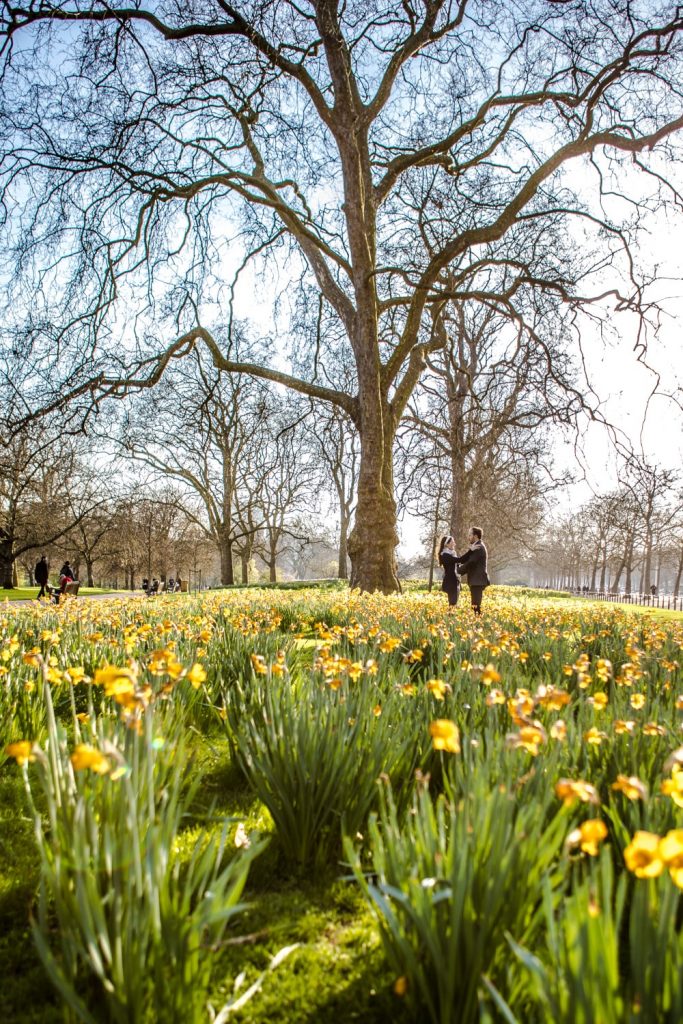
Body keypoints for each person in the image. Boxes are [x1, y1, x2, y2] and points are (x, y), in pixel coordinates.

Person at [456, 526, 490, 615]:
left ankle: (478, 625)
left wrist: (458, 571)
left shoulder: (479, 547)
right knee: (475, 605)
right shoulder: (476, 546)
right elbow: (468, 561)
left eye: (470, 535)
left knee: (476, 605)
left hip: (477, 581)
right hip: (477, 580)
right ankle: (477, 624)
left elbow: (471, 562)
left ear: (475, 536)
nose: (468, 537)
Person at [438, 535, 460, 607]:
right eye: (453, 542)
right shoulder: (445, 555)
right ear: (447, 544)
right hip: (450, 581)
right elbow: (459, 560)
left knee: (453, 603)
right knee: (452, 603)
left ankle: (451, 616)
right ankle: (450, 617)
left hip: (454, 580)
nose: (454, 544)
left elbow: (457, 566)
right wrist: (471, 552)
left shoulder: (452, 554)